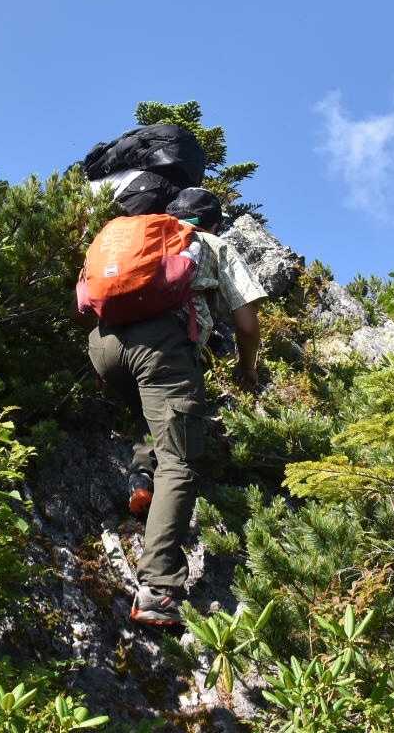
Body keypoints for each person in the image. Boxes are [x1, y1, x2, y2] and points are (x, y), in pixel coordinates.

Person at [86, 187, 268, 627]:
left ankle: (142, 477)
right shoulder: (213, 243)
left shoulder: (143, 235)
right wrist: (248, 367)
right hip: (162, 345)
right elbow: (247, 323)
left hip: (102, 346)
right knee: (180, 458)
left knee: (157, 418)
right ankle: (158, 588)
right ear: (214, 223)